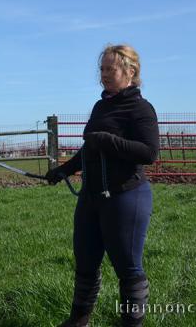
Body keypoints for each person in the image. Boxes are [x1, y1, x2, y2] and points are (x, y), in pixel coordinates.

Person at [46, 44, 159, 327]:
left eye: (111, 69)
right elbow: (89, 149)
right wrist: (64, 170)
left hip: (125, 197)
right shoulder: (101, 106)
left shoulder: (141, 109)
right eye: (102, 69)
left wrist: (109, 141)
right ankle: (78, 321)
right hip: (91, 197)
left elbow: (149, 153)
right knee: (85, 263)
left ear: (130, 72)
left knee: (128, 268)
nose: (104, 75)